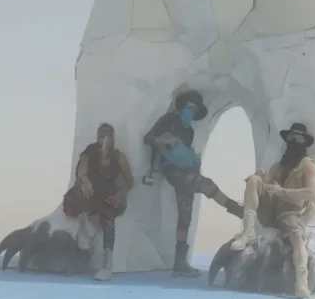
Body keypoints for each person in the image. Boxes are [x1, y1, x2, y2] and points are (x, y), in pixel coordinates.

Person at [143, 90, 243, 277]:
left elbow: (185, 151)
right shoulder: (168, 120)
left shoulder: (189, 131)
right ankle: (236, 208)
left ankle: (179, 261)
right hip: (171, 168)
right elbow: (148, 139)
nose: (190, 112)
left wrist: (192, 158)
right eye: (189, 108)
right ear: (182, 108)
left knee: (185, 213)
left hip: (186, 171)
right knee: (205, 184)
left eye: (194, 110)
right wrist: (166, 140)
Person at [230, 122, 315, 299]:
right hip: (271, 210)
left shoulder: (308, 165)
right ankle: (247, 232)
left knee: (297, 240)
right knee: (254, 180)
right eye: (290, 137)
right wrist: (260, 179)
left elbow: (311, 193)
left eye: (297, 137)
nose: (293, 140)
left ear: (304, 142)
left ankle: (301, 282)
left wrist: (284, 192)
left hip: (290, 211)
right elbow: (268, 187)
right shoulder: (278, 166)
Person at [62, 122, 133, 281]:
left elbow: (129, 182)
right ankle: (83, 230)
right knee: (81, 192)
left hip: (108, 195)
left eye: (108, 136)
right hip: (91, 193)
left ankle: (107, 265)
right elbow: (81, 169)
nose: (105, 139)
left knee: (109, 217)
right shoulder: (90, 152)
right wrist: (85, 180)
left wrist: (121, 194)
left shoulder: (119, 157)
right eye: (102, 136)